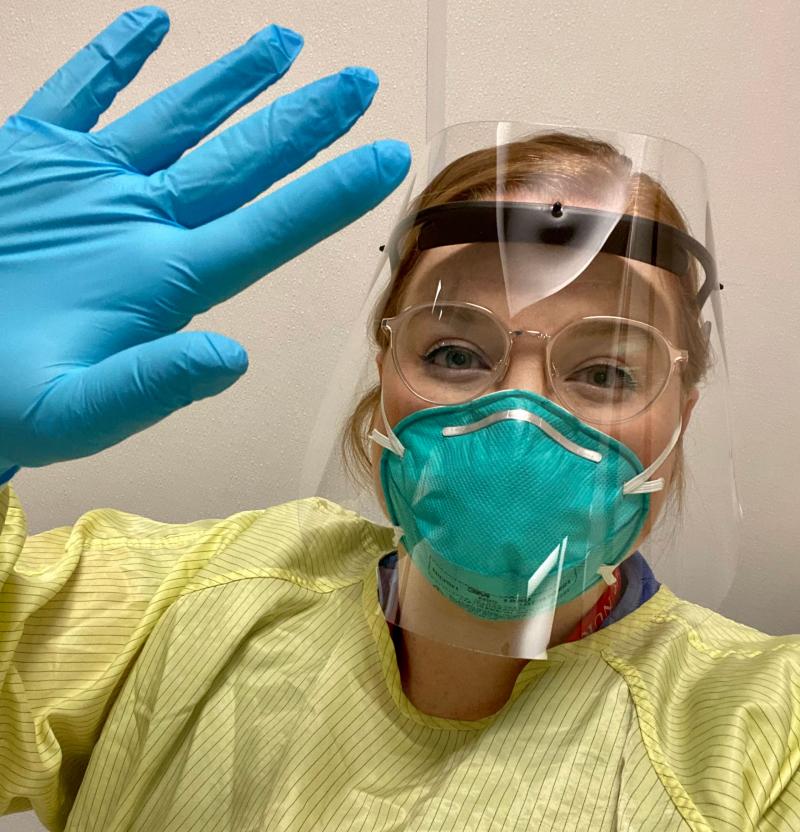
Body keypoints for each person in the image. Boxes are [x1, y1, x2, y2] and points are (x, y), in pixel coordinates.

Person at [0, 7, 797, 832]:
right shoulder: (187, 602)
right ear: (384, 372)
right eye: (455, 354)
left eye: (604, 373)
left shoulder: (762, 734)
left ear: (681, 412)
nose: (519, 418)